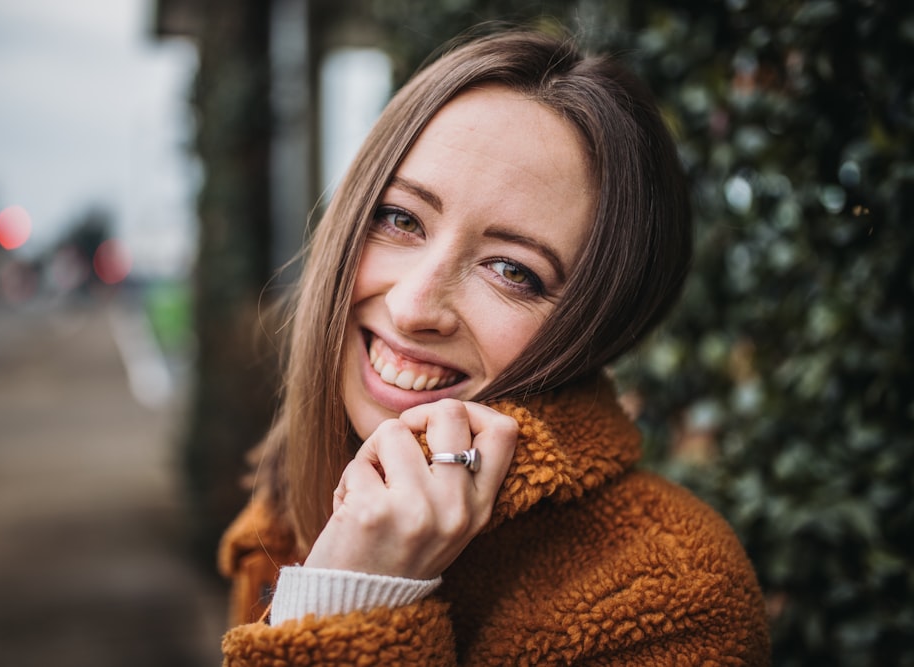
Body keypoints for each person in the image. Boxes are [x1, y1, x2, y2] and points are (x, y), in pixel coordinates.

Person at [218, 28, 770, 665]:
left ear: (597, 331)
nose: (413, 307)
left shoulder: (675, 596)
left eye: (513, 271)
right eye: (401, 219)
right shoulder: (298, 476)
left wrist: (357, 606)